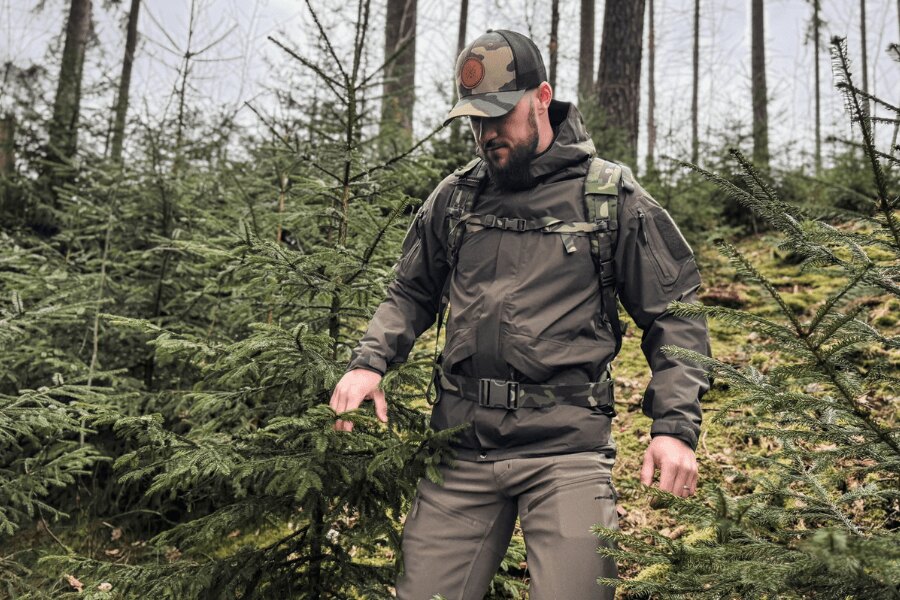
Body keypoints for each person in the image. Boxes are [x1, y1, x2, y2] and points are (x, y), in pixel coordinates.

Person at [330, 29, 710, 600]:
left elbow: (675, 316)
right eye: (475, 122)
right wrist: (369, 363)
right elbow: (410, 291)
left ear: (541, 96)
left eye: (499, 116)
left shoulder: (610, 198)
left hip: (568, 451)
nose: (486, 135)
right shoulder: (455, 199)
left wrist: (674, 428)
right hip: (461, 446)